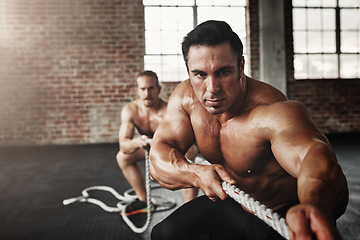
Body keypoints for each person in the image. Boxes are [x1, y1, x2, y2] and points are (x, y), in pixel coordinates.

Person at [149, 20, 349, 240]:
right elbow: (158, 156)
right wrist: (195, 174)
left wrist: (315, 203)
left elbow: (313, 157)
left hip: (280, 210)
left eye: (223, 72)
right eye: (200, 74)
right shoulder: (186, 98)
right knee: (164, 233)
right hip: (234, 203)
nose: (212, 88)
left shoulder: (270, 111)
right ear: (189, 71)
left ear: (241, 67)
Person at [116, 70, 199, 216]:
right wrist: (137, 142)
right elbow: (124, 145)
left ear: (159, 89)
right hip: (147, 147)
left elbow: (187, 144)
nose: (147, 93)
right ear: (137, 90)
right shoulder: (130, 110)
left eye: (151, 88)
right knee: (122, 157)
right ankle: (144, 201)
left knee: (190, 153)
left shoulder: (168, 111)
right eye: (143, 89)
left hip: (169, 148)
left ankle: (190, 209)